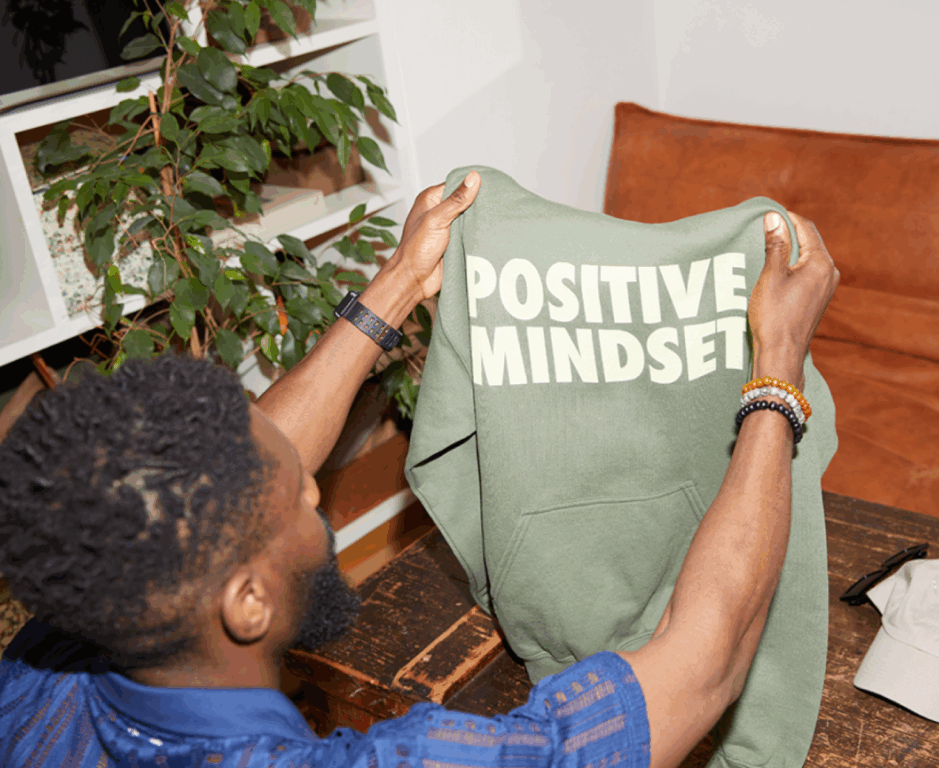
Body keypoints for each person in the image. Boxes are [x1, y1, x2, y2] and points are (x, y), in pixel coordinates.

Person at [0, 169, 840, 768]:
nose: (315, 485)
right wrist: (777, 363)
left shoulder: (55, 656)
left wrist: (400, 280)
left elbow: (254, 454)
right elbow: (704, 664)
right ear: (246, 602)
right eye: (299, 496)